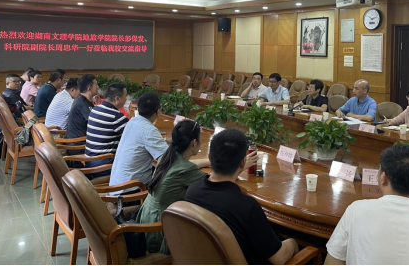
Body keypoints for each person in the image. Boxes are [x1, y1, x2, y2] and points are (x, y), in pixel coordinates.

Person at [186, 129, 298, 265]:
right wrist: (293, 243)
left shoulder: (192, 191)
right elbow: (278, 259)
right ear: (243, 163)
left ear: (209, 157)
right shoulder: (247, 207)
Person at [137, 120, 211, 255]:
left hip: (146, 218)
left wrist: (209, 161)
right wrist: (238, 167)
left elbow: (189, 165)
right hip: (160, 230)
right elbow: (214, 182)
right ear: (194, 142)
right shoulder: (186, 169)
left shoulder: (167, 156)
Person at [109, 92, 169, 189]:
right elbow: (169, 158)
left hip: (116, 187)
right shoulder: (148, 129)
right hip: (132, 191)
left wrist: (165, 141)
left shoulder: (132, 121)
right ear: (158, 111)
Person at [84, 83, 129, 177]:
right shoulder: (116, 117)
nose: (126, 99)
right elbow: (135, 137)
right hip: (103, 166)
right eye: (125, 96)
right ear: (117, 98)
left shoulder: (95, 109)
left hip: (89, 161)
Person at [65, 74, 98, 155]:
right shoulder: (82, 103)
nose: (98, 87)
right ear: (89, 88)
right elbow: (95, 123)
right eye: (96, 84)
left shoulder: (83, 100)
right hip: (79, 146)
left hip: (82, 142)